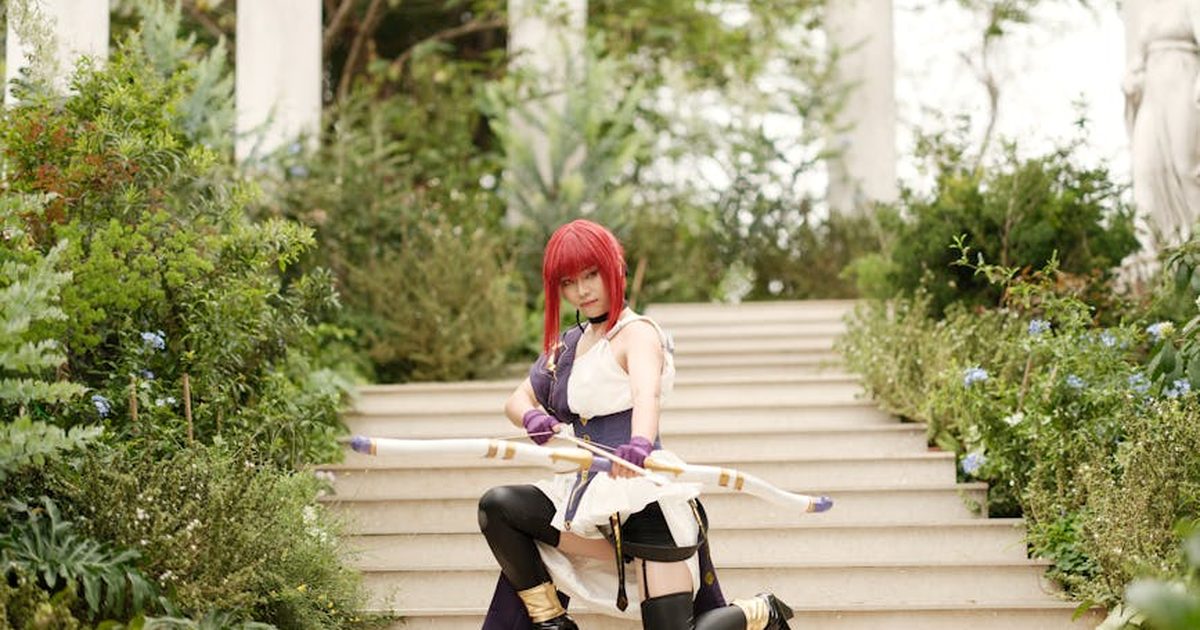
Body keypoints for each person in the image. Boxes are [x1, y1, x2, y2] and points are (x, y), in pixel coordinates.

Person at [477, 219, 793, 630]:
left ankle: (760, 612)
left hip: (641, 493)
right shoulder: (568, 346)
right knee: (499, 506)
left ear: (614, 269)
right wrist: (532, 417)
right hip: (582, 496)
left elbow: (647, 394)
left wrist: (639, 445)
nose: (582, 290)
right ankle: (550, 622)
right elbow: (516, 400)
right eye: (569, 282)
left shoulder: (637, 333)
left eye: (591, 275)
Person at [1123, 0, 1200, 246]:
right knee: (1145, 165)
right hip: (1152, 90)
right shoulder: (1145, 8)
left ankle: (1195, 241)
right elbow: (1137, 58)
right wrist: (1131, 78)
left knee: (1185, 166)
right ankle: (1152, 244)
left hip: (1183, 79)